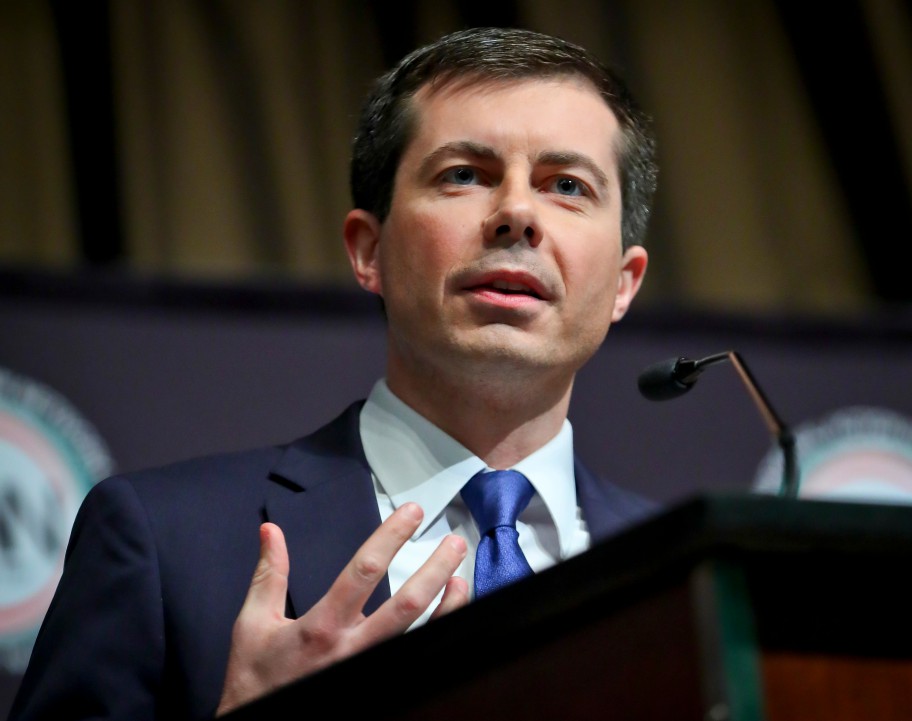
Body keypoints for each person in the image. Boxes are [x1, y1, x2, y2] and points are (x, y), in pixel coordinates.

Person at [9, 26, 660, 721]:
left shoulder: (690, 571)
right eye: (464, 175)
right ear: (368, 250)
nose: (517, 214)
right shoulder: (164, 540)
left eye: (567, 186)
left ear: (625, 283)